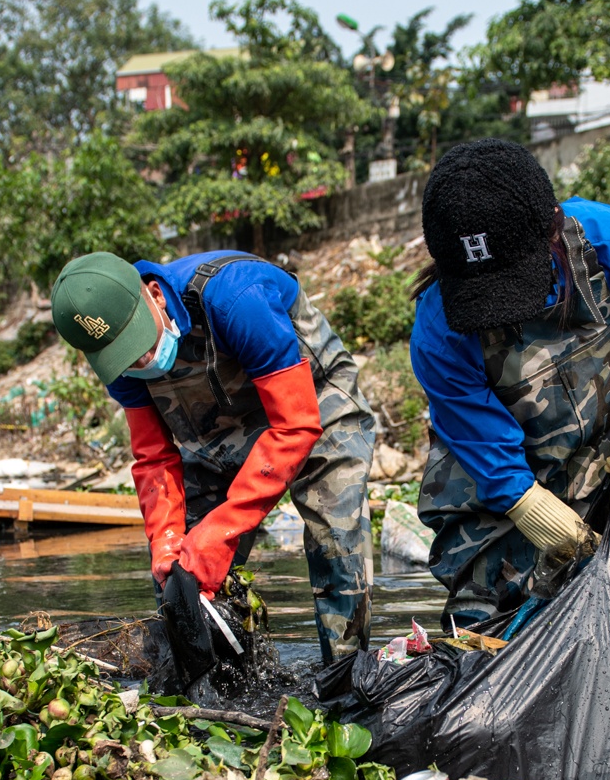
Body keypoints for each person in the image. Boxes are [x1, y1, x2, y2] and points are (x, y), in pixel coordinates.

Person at [50, 249, 375, 660]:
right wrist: (167, 540)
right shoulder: (119, 362)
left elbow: (295, 425)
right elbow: (154, 458)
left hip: (315, 406)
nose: (141, 360)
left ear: (156, 295)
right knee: (180, 571)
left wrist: (224, 530)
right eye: (124, 357)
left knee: (335, 543)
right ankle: (220, 687)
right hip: (216, 433)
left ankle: (345, 680)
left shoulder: (237, 296)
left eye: (139, 342)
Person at [409, 138, 610, 619]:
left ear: (552, 226)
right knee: (487, 631)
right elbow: (497, 466)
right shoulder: (438, 334)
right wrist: (573, 543)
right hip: (492, 491)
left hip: (606, 459)